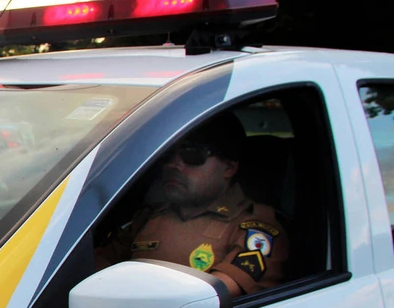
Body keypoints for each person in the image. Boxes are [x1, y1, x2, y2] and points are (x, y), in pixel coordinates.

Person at [95, 117, 289, 296]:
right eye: (167, 156)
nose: (173, 165)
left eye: (193, 155)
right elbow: (95, 267)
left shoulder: (253, 228)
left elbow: (213, 296)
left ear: (229, 168)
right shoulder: (148, 217)